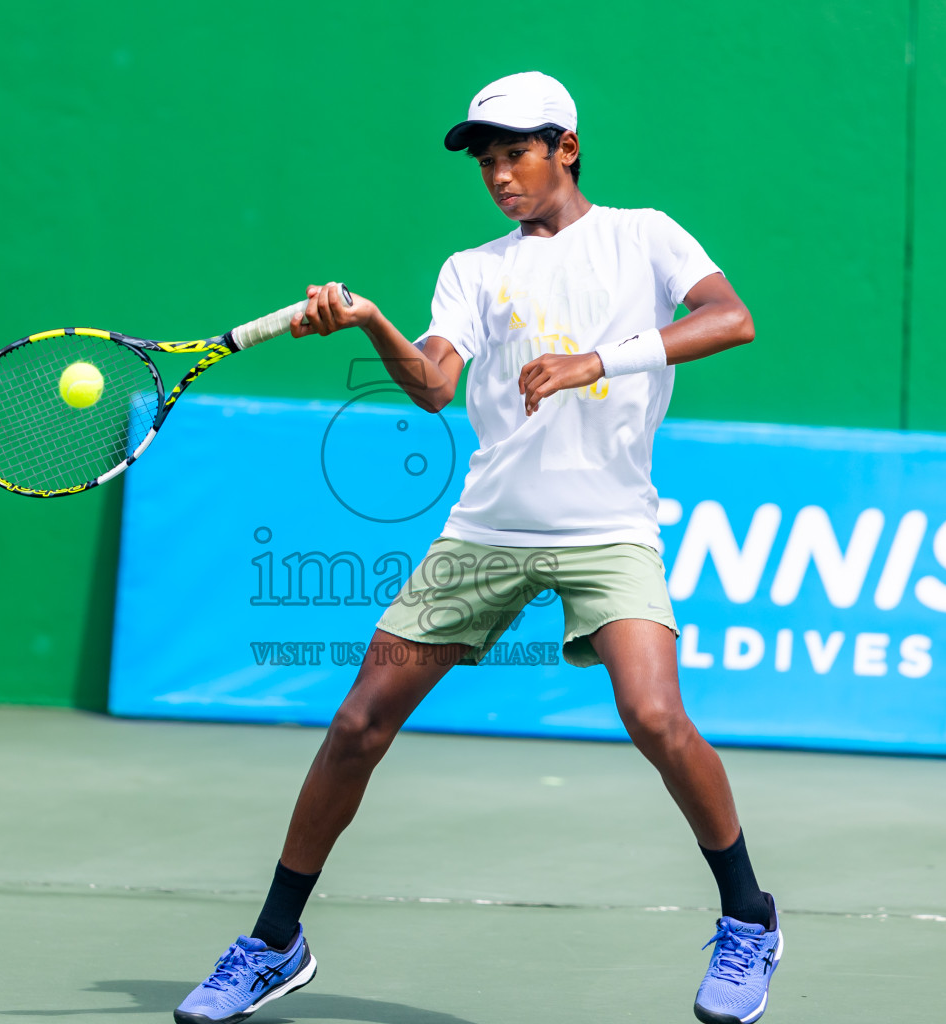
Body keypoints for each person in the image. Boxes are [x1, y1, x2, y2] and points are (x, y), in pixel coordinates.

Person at [175, 71, 781, 1024]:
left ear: (565, 148)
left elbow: (730, 319)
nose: (499, 175)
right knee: (357, 726)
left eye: (516, 154)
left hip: (609, 528)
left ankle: (749, 917)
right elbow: (432, 386)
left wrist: (599, 358)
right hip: (488, 531)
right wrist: (373, 318)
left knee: (656, 717)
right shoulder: (473, 268)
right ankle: (273, 942)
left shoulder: (645, 235)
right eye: (487, 161)